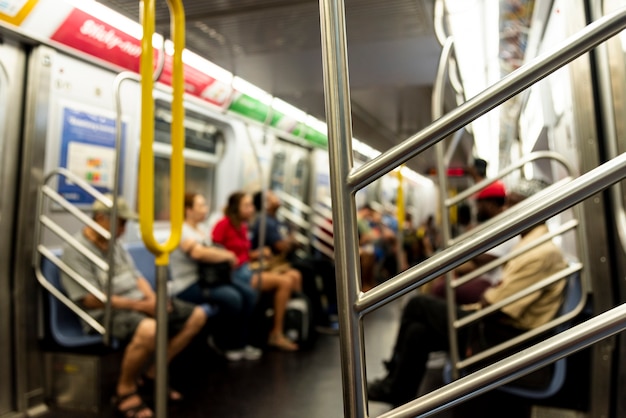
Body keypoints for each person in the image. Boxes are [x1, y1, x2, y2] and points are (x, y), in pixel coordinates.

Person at [367, 179, 568, 406]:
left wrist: (478, 301)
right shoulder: (531, 242)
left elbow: (496, 305)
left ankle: (392, 376)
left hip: (501, 338)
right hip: (495, 328)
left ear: (533, 208)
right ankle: (396, 389)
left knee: (418, 305)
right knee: (417, 331)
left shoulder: (539, 251)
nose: (505, 210)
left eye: (512, 204)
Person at [60, 195, 206, 418]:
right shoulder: (75, 250)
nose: (124, 229)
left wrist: (153, 300)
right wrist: (142, 306)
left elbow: (136, 276)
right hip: (105, 313)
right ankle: (124, 390)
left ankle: (152, 372)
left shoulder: (114, 243)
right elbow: (90, 299)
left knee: (196, 315)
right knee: (151, 329)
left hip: (136, 303)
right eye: (121, 222)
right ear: (100, 218)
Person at [169, 193, 261, 361]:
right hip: (189, 284)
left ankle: (240, 342)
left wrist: (223, 254)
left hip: (209, 280)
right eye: (201, 206)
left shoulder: (201, 230)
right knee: (232, 299)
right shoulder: (180, 230)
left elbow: (211, 249)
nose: (205, 209)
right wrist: (227, 255)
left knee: (249, 294)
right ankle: (223, 342)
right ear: (188, 210)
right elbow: (198, 253)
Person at [212, 191, 300, 351]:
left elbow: (244, 254)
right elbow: (216, 249)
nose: (252, 209)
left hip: (246, 268)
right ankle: (276, 333)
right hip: (234, 273)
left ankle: (287, 324)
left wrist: (257, 254)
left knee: (293, 275)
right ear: (235, 208)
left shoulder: (243, 226)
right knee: (285, 282)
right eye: (247, 205)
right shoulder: (223, 225)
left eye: (251, 205)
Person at [250, 190, 338, 330]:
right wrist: (290, 241)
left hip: (289, 257)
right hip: (279, 262)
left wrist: (289, 242)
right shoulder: (264, 221)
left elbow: (293, 242)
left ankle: (333, 309)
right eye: (272, 196)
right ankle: (318, 318)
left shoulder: (276, 220)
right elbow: (280, 246)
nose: (276, 197)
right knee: (308, 272)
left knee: (325, 265)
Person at [430, 180, 519, 304]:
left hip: (493, 282)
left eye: (479, 203)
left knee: (440, 289)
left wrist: (468, 242)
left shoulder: (505, 225)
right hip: (486, 277)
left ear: (490, 204)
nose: (476, 208)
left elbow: (485, 260)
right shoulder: (496, 225)